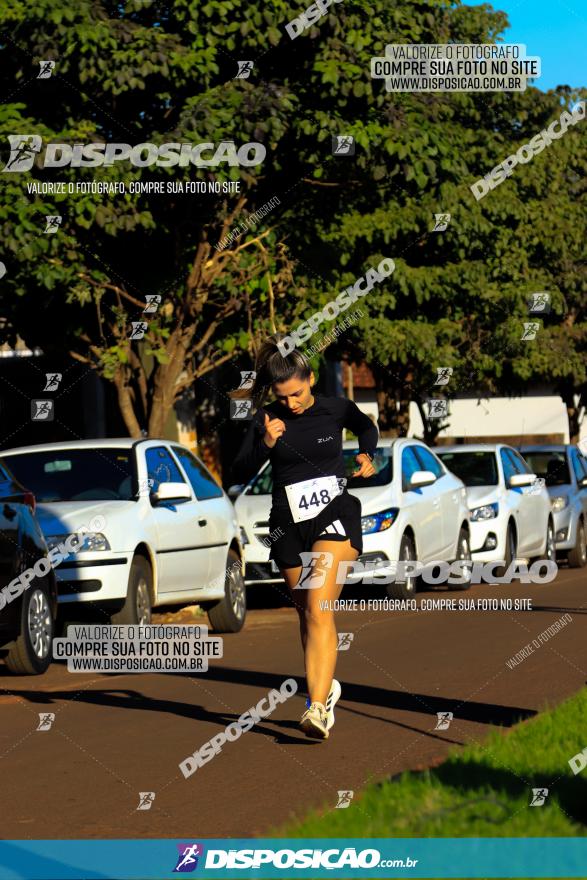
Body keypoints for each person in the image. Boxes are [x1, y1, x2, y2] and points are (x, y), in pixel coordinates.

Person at [230, 334, 379, 740]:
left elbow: (365, 425)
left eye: (296, 394)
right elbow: (239, 471)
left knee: (319, 604)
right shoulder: (266, 418)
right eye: (283, 396)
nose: (291, 403)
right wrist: (267, 442)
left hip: (333, 514)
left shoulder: (335, 408)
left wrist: (368, 453)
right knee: (308, 613)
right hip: (287, 521)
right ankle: (324, 685)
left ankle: (316, 709)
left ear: (310, 379)